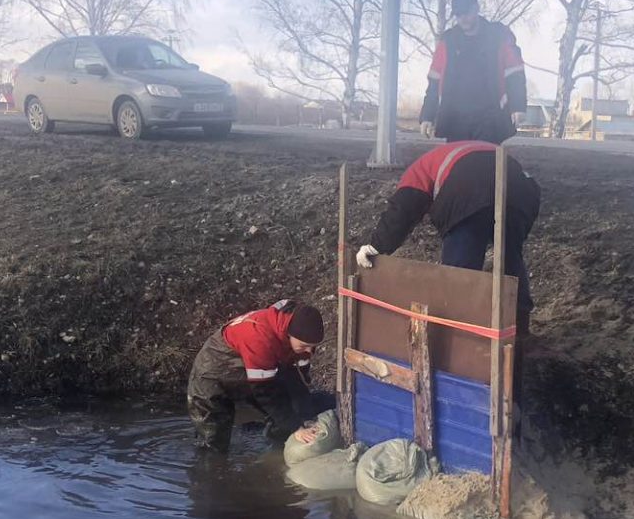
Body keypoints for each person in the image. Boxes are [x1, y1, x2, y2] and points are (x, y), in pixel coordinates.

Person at [354, 141, 539, 336]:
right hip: (522, 191)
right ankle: (519, 329)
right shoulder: (455, 152)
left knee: (459, 272)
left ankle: (459, 334)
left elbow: (403, 209)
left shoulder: (419, 169)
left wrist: (377, 245)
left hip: (468, 189)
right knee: (511, 256)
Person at [187, 299, 327, 452]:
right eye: (304, 346)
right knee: (213, 440)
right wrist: (296, 428)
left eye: (313, 347)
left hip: (248, 365)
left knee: (284, 406)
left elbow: (298, 382)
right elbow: (264, 391)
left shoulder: (300, 339)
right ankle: (211, 468)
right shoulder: (260, 338)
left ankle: (276, 445)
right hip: (212, 370)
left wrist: (306, 418)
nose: (309, 351)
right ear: (288, 335)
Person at [419, 0, 527, 145]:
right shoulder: (448, 41)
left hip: (490, 117)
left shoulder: (498, 35)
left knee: (487, 164)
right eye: (458, 14)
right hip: (455, 118)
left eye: (466, 12)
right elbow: (434, 81)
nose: (463, 18)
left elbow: (515, 73)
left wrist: (517, 105)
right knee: (458, 165)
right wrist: (427, 116)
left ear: (476, 8)